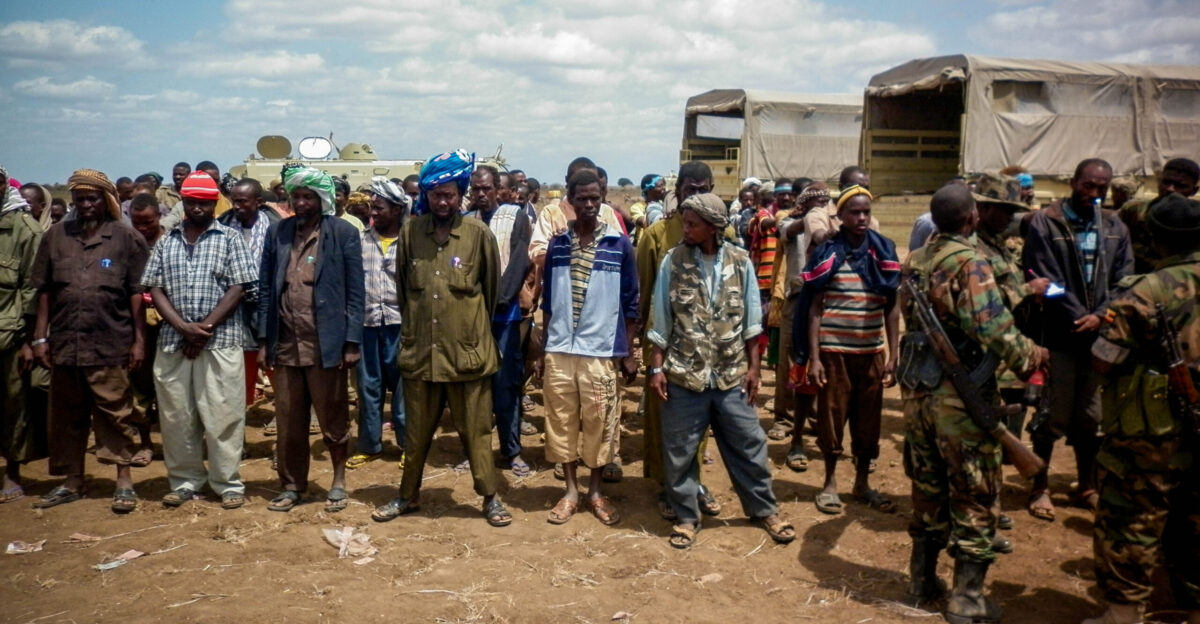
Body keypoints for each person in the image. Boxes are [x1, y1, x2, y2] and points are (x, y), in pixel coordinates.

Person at [899, 183, 1049, 622]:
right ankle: (967, 599)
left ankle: (921, 580)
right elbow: (993, 328)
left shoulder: (917, 260)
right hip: (960, 400)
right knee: (975, 493)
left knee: (927, 488)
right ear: (972, 219)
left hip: (919, 395)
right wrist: (1030, 357)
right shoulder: (970, 262)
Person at [371, 150, 512, 528]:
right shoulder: (410, 232)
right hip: (421, 356)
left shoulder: (478, 235)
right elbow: (404, 292)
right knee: (415, 436)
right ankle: (407, 495)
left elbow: (491, 293)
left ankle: (489, 497)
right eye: (436, 195)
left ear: (460, 193)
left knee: (477, 433)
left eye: (450, 194)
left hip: (468, 356)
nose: (443, 201)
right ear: (427, 196)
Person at [647, 192, 794, 549]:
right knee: (680, 451)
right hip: (684, 374)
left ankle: (764, 510)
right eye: (685, 221)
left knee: (749, 445)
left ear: (713, 228)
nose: (686, 228)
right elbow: (660, 320)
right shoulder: (673, 261)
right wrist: (656, 369)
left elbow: (752, 323)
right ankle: (686, 517)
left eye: (693, 224)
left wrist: (754, 370)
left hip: (731, 375)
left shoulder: (741, 262)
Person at [1085, 193, 1200, 624]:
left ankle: (1122, 613)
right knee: (1194, 519)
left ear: (1154, 238)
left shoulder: (1145, 290)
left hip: (1151, 432)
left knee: (1131, 518)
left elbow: (1103, 358)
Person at [30, 169, 150, 513]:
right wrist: (40, 338)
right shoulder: (55, 237)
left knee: (116, 411)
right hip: (65, 342)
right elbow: (45, 293)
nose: (86, 205)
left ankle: (123, 480)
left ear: (106, 201)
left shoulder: (126, 239)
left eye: (92, 198)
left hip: (110, 341)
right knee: (67, 414)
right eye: (80, 199)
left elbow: (136, 294)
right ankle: (73, 481)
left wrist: (138, 341)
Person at [1021, 158, 1133, 521]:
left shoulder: (1116, 226)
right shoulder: (1046, 222)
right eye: (1088, 186)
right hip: (1060, 334)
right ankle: (1040, 486)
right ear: (1073, 183)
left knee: (1091, 416)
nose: (1095, 194)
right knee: (1052, 412)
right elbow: (1041, 273)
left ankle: (1087, 485)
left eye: (1102, 188)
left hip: (1100, 337)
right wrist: (1076, 314)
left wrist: (1101, 315)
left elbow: (1124, 279)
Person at [141, 171, 256, 509]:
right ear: (183, 202)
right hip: (174, 342)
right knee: (177, 417)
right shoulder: (167, 240)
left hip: (220, 342)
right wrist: (182, 327)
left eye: (204, 203)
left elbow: (239, 287)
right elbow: (154, 287)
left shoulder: (230, 238)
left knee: (224, 414)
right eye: (191, 202)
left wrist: (203, 328)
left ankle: (227, 483)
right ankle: (186, 481)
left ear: (213, 203)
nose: (197, 209)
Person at [257, 165, 364, 513]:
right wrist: (263, 340)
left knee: (333, 418)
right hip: (286, 343)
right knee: (289, 422)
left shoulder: (343, 233)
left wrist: (351, 342)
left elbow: (355, 293)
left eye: (308, 197)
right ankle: (292, 485)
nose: (300, 203)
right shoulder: (278, 233)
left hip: (326, 343)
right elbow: (265, 289)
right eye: (295, 196)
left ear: (322, 199)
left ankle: (337, 480)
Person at [537, 169, 638, 525]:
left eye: (596, 197)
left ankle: (595, 491)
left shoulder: (618, 244)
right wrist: (544, 346)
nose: (590, 205)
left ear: (603, 196)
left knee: (599, 421)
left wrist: (627, 351)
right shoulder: (558, 244)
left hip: (600, 350)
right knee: (562, 421)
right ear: (571, 200)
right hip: (561, 349)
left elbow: (630, 303)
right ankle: (570, 490)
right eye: (582, 198)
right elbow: (548, 301)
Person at [796, 185, 900, 516]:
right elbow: (814, 307)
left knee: (868, 421)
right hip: (834, 353)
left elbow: (892, 307)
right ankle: (828, 483)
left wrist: (893, 354)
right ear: (839, 216)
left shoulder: (883, 251)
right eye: (855, 212)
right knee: (831, 416)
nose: (862, 218)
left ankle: (862, 483)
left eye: (866, 211)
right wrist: (814, 357)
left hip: (871, 352)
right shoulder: (827, 251)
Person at [636, 160, 724, 519]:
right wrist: (638, 346)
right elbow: (642, 296)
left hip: (706, 346)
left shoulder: (722, 236)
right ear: (679, 191)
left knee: (698, 421)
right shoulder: (656, 236)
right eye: (691, 189)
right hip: (664, 346)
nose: (697, 195)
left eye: (704, 189)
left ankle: (693, 482)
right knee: (663, 421)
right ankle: (665, 486)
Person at [466, 165, 535, 477]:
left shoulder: (515, 217)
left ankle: (512, 451)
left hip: (504, 316)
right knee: (473, 388)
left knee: (506, 385)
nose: (481, 194)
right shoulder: (465, 222)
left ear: (498, 189)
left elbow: (520, 260)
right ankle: (475, 452)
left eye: (486, 189)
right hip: (470, 319)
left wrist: (499, 298)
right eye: (476, 189)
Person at [347, 177, 409, 470]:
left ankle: (407, 445)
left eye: (380, 207)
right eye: (373, 207)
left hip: (400, 326)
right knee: (368, 387)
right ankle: (369, 445)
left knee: (403, 389)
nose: (374, 212)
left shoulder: (410, 243)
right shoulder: (360, 242)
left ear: (397, 209)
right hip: (367, 326)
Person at [774, 182, 832, 467]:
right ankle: (782, 417)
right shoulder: (790, 222)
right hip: (797, 295)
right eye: (816, 201)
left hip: (825, 298)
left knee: (820, 361)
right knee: (790, 358)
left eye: (825, 201)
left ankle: (815, 418)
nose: (821, 205)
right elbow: (786, 232)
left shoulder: (832, 224)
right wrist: (810, 219)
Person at [0, 167, 45, 503]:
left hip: (9, 335)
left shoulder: (25, 230)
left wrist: (30, 341)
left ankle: (12, 473)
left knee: (13, 405)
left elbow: (32, 291)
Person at [1117, 158, 1199, 274]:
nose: (1170, 189)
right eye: (1166, 182)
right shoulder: (1133, 211)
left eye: (1180, 185)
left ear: (1194, 191)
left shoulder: (1195, 221)